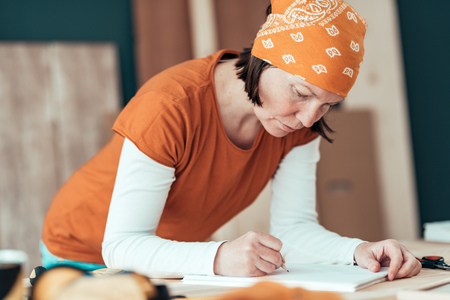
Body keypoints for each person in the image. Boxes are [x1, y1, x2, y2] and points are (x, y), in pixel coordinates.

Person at [41, 0, 422, 281]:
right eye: (300, 92)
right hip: (83, 253)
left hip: (165, 257)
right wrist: (220, 256)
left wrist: (356, 251)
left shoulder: (297, 125)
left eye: (329, 105)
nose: (309, 118)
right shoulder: (169, 107)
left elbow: (293, 230)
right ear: (263, 58)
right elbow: (121, 247)